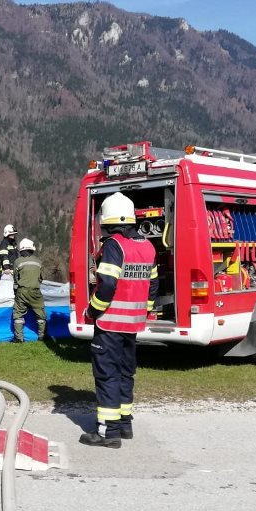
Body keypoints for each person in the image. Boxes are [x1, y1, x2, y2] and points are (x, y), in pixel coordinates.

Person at [80, 192, 158, 449]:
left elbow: (107, 285)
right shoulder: (147, 246)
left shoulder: (114, 245)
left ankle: (108, 432)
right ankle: (124, 425)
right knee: (125, 373)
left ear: (108, 219)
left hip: (110, 324)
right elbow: (153, 285)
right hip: (132, 324)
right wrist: (144, 311)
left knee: (107, 375)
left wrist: (92, 311)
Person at [12, 238, 46, 342]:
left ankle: (19, 338)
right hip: (35, 291)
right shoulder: (38, 262)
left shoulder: (18, 261)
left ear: (21, 250)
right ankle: (42, 337)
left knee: (18, 314)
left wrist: (16, 290)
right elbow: (41, 278)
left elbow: (15, 278)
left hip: (22, 291)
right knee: (40, 314)